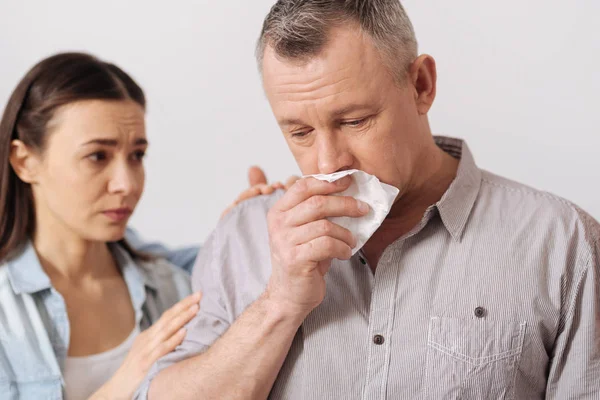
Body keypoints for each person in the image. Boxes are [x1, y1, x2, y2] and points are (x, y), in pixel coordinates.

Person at [143, 1, 600, 399]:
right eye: (299, 132)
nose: (327, 162)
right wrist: (279, 303)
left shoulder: (562, 243)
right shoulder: (240, 236)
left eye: (355, 121)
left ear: (421, 85)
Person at [0, 52, 287, 399]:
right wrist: (125, 380)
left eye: (136, 155)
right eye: (97, 156)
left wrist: (245, 234)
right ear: (25, 161)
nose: (127, 184)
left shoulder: (173, 286)